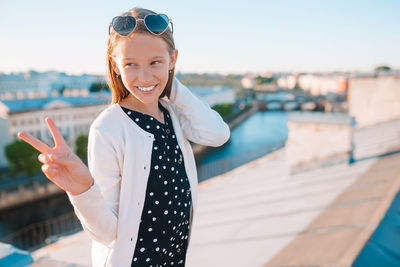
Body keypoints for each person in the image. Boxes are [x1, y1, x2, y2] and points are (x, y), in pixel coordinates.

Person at [17, 6, 230, 267]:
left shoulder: (173, 112)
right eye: (131, 64)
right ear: (115, 65)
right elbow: (107, 234)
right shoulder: (108, 128)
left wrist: (170, 85)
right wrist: (82, 189)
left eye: (155, 62)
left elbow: (218, 134)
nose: (144, 76)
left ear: (173, 59)